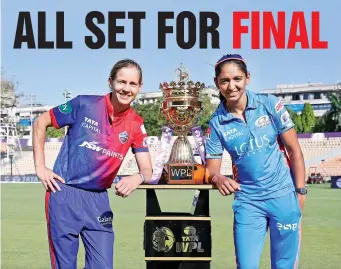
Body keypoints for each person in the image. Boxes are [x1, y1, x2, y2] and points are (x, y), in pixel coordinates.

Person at [33, 59, 152, 269]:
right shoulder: (84, 104)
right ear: (111, 81)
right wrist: (40, 167)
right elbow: (41, 122)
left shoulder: (136, 123)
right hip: (64, 194)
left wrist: (138, 177)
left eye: (132, 84)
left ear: (139, 87)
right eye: (121, 82)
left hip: (98, 201)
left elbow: (147, 170)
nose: (126, 88)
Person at [205, 54, 306, 269]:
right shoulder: (216, 123)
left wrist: (301, 191)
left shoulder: (269, 104)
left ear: (247, 78)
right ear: (217, 83)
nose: (232, 86)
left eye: (237, 79)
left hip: (283, 197)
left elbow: (294, 150)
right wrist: (218, 177)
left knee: (284, 266)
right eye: (225, 81)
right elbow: (211, 170)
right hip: (248, 202)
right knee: (246, 265)